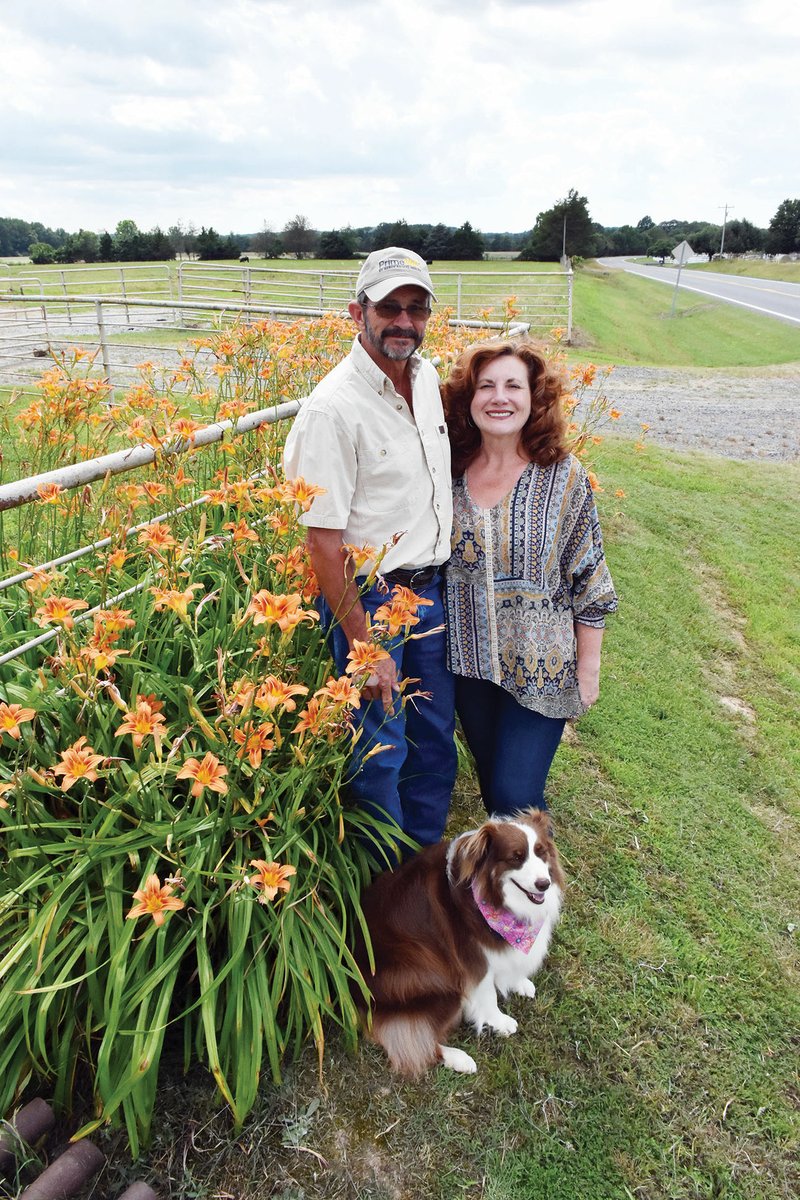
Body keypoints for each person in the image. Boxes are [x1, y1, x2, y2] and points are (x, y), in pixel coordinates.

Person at [283, 247, 456, 857]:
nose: (403, 321)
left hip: (430, 590)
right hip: (372, 601)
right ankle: (384, 889)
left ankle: (426, 869)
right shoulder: (332, 410)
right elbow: (321, 542)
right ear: (357, 312)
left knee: (434, 738)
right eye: (389, 308)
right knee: (381, 746)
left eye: (416, 308)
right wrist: (364, 645)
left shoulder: (429, 380)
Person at [441, 339, 617, 817]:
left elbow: (590, 577)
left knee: (516, 796)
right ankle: (507, 886)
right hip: (470, 666)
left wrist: (589, 668)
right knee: (496, 791)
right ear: (469, 400)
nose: (500, 397)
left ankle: (539, 888)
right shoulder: (448, 473)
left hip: (544, 668)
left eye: (513, 386)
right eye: (486, 386)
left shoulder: (564, 476)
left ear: (534, 399)